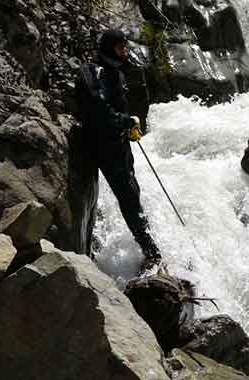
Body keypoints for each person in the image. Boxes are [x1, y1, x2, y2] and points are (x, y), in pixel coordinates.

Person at [71, 29, 161, 274]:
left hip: (118, 144)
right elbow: (98, 108)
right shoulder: (93, 71)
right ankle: (152, 252)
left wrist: (128, 126)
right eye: (121, 47)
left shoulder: (116, 73)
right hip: (101, 144)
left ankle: (150, 250)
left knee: (132, 194)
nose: (125, 52)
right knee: (129, 197)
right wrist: (125, 121)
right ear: (110, 47)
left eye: (126, 47)